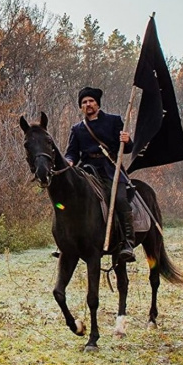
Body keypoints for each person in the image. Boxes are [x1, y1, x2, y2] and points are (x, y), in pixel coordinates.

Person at [64, 86, 136, 263]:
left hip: (110, 169)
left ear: (97, 104)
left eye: (91, 101)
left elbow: (127, 149)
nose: (88, 104)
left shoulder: (114, 121)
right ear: (81, 107)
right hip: (87, 170)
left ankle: (127, 241)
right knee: (69, 200)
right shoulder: (77, 128)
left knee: (119, 199)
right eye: (84, 102)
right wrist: (69, 162)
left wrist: (128, 141)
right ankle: (67, 243)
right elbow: (72, 153)